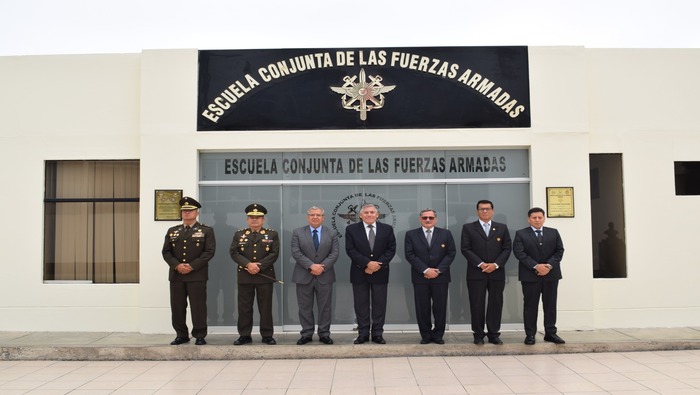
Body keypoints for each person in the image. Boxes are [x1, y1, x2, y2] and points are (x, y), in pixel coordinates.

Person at [161, 196, 216, 346]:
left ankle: (199, 334)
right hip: (176, 275)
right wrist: (177, 266)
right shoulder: (173, 231)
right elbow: (166, 252)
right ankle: (181, 334)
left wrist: (191, 266)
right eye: (184, 211)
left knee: (198, 306)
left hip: (197, 275)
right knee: (177, 306)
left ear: (197, 212)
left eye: (190, 211)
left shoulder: (206, 230)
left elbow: (209, 252)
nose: (187, 213)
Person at [460, 199, 512, 345]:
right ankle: (478, 334)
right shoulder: (469, 228)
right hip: (476, 273)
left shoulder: (501, 227)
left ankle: (494, 334)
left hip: (496, 273)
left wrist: (495, 265)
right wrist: (481, 264)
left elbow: (507, 248)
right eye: (481, 209)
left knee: (496, 303)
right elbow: (465, 249)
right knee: (476, 303)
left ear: (492, 211)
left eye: (487, 209)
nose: (484, 211)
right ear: (477, 211)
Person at [345, 203, 396, 344]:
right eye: (366, 212)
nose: (369, 214)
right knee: (361, 305)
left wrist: (376, 265)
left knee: (379, 304)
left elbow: (391, 249)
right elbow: (350, 250)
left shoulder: (387, 229)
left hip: (380, 272)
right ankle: (363, 333)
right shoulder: (351, 229)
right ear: (360, 215)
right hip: (359, 272)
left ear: (377, 214)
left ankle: (377, 334)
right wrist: (367, 264)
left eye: (372, 212)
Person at [513, 207, 565, 345]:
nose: (537, 220)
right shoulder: (521, 234)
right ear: (528, 219)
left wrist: (548, 266)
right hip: (530, 276)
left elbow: (559, 251)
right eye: (534, 217)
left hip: (551, 275)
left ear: (544, 218)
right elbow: (520, 253)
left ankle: (550, 333)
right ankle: (530, 335)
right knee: (530, 306)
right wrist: (536, 266)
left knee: (550, 305)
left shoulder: (553, 233)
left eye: (540, 217)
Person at [229, 203, 280, 345]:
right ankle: (245, 335)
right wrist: (248, 264)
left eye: (258, 217)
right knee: (244, 307)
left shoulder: (272, 234)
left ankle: (267, 335)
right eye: (251, 217)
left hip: (264, 276)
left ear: (263, 220)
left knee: (265, 307)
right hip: (245, 276)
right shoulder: (239, 234)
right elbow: (234, 252)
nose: (254, 220)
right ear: (247, 219)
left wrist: (259, 266)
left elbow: (274, 254)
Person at [405, 208, 456, 344]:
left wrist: (437, 270)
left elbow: (451, 253)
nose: (428, 220)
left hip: (441, 277)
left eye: (431, 218)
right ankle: (426, 335)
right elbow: (409, 254)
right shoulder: (411, 234)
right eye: (425, 217)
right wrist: (426, 270)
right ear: (420, 219)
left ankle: (438, 335)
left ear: (436, 219)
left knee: (440, 306)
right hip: (420, 277)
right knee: (422, 307)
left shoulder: (446, 233)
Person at [291, 206, 340, 345]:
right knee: (304, 307)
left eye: (318, 215)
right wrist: (311, 266)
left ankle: (324, 334)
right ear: (307, 217)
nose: (315, 217)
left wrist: (321, 267)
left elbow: (334, 253)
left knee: (325, 307)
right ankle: (306, 334)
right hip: (303, 275)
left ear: (323, 218)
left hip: (325, 275)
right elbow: (296, 252)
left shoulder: (331, 233)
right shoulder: (298, 232)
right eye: (312, 214)